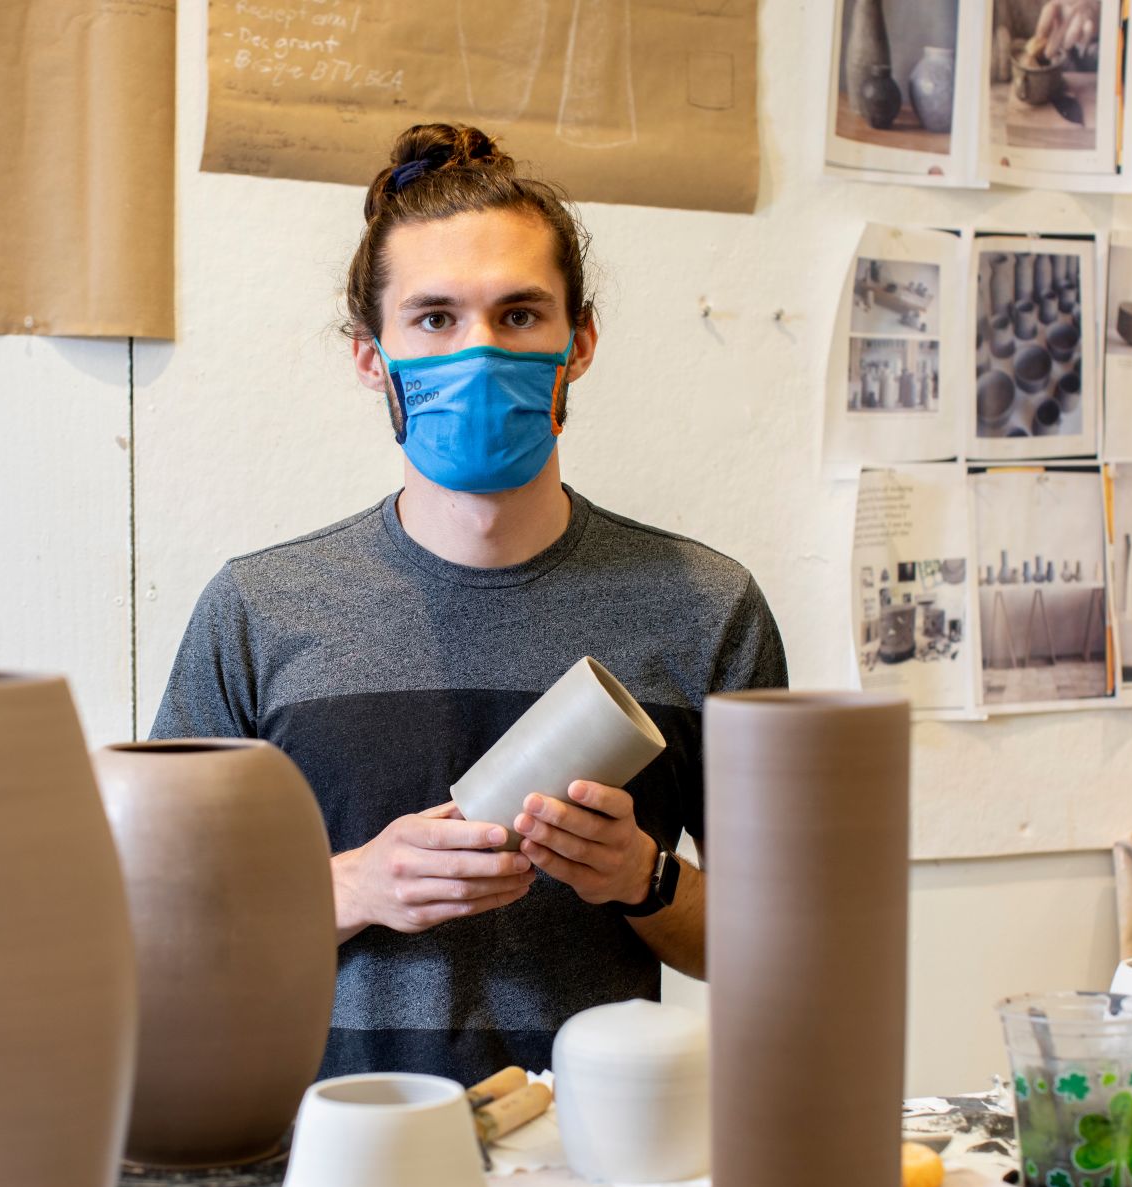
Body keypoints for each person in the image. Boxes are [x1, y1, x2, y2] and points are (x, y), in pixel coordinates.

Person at [152, 123, 787, 1083]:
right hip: (334, 1155)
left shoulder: (703, 607)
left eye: (520, 315)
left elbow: (780, 949)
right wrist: (354, 885)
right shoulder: (259, 610)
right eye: (435, 318)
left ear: (578, 345)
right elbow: (159, 924)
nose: (480, 351)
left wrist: (640, 878)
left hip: (590, 1157)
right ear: (372, 356)